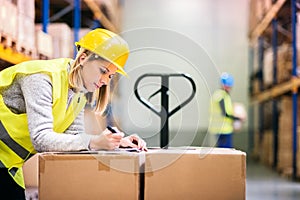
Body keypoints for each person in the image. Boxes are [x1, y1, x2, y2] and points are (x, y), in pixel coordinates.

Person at [0, 28, 147, 199]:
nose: (105, 80)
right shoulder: (42, 78)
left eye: (111, 76)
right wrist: (95, 142)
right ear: (84, 59)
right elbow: (41, 138)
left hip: (8, 163)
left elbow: (74, 138)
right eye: (103, 71)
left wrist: (116, 143)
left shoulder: (79, 94)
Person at [208, 72, 242, 148]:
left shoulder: (219, 95)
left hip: (219, 129)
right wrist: (237, 118)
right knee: (226, 153)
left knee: (222, 152)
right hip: (223, 130)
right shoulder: (221, 96)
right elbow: (224, 113)